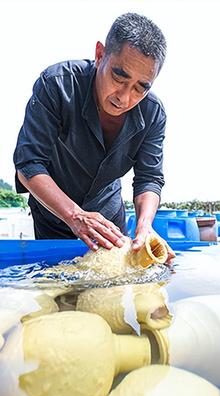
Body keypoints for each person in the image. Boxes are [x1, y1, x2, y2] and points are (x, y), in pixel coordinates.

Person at [13, 12, 173, 261]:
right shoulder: (57, 85)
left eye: (141, 87)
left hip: (109, 219)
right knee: (56, 290)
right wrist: (74, 215)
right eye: (119, 77)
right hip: (54, 213)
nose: (124, 97)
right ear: (100, 55)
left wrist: (145, 225)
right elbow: (28, 164)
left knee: (111, 292)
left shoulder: (153, 114)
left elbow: (149, 179)